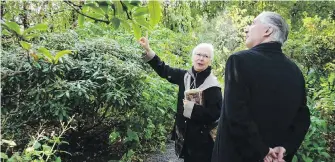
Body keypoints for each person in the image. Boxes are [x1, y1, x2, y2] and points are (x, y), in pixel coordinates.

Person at [212, 11, 311, 162]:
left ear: (268, 30)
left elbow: (236, 114)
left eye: (253, 23)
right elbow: (302, 118)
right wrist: (285, 147)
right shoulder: (295, 71)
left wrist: (262, 150)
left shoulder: (239, 60)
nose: (247, 29)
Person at [139, 34, 222, 162]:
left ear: (210, 60)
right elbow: (164, 70)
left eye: (206, 56)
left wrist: (191, 108)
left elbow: (215, 115)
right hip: (185, 136)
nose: (201, 58)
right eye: (198, 54)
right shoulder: (185, 76)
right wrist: (149, 51)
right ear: (193, 57)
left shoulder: (213, 86)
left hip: (203, 141)